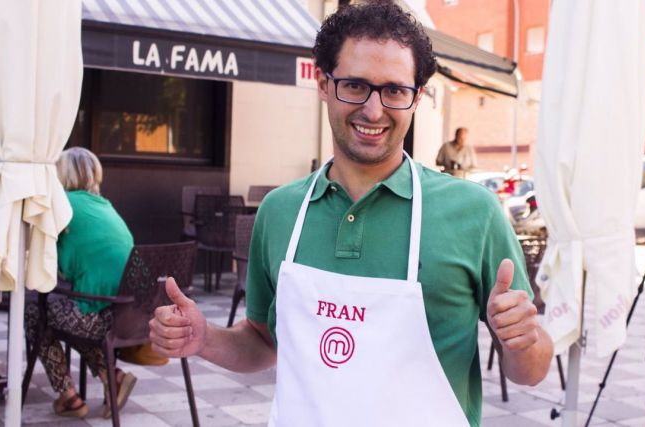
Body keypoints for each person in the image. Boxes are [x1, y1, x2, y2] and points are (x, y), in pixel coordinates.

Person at [149, 2, 553, 426]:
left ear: (416, 96)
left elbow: (531, 371)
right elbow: (263, 342)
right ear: (323, 83)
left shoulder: (475, 214)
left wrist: (522, 341)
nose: (374, 111)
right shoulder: (280, 212)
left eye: (395, 90)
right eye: (356, 86)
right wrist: (204, 338)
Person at [24, 147, 137, 419]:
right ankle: (114, 377)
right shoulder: (106, 206)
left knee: (34, 314)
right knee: (69, 314)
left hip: (99, 317)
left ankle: (69, 396)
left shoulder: (63, 208)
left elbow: (53, 268)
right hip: (130, 317)